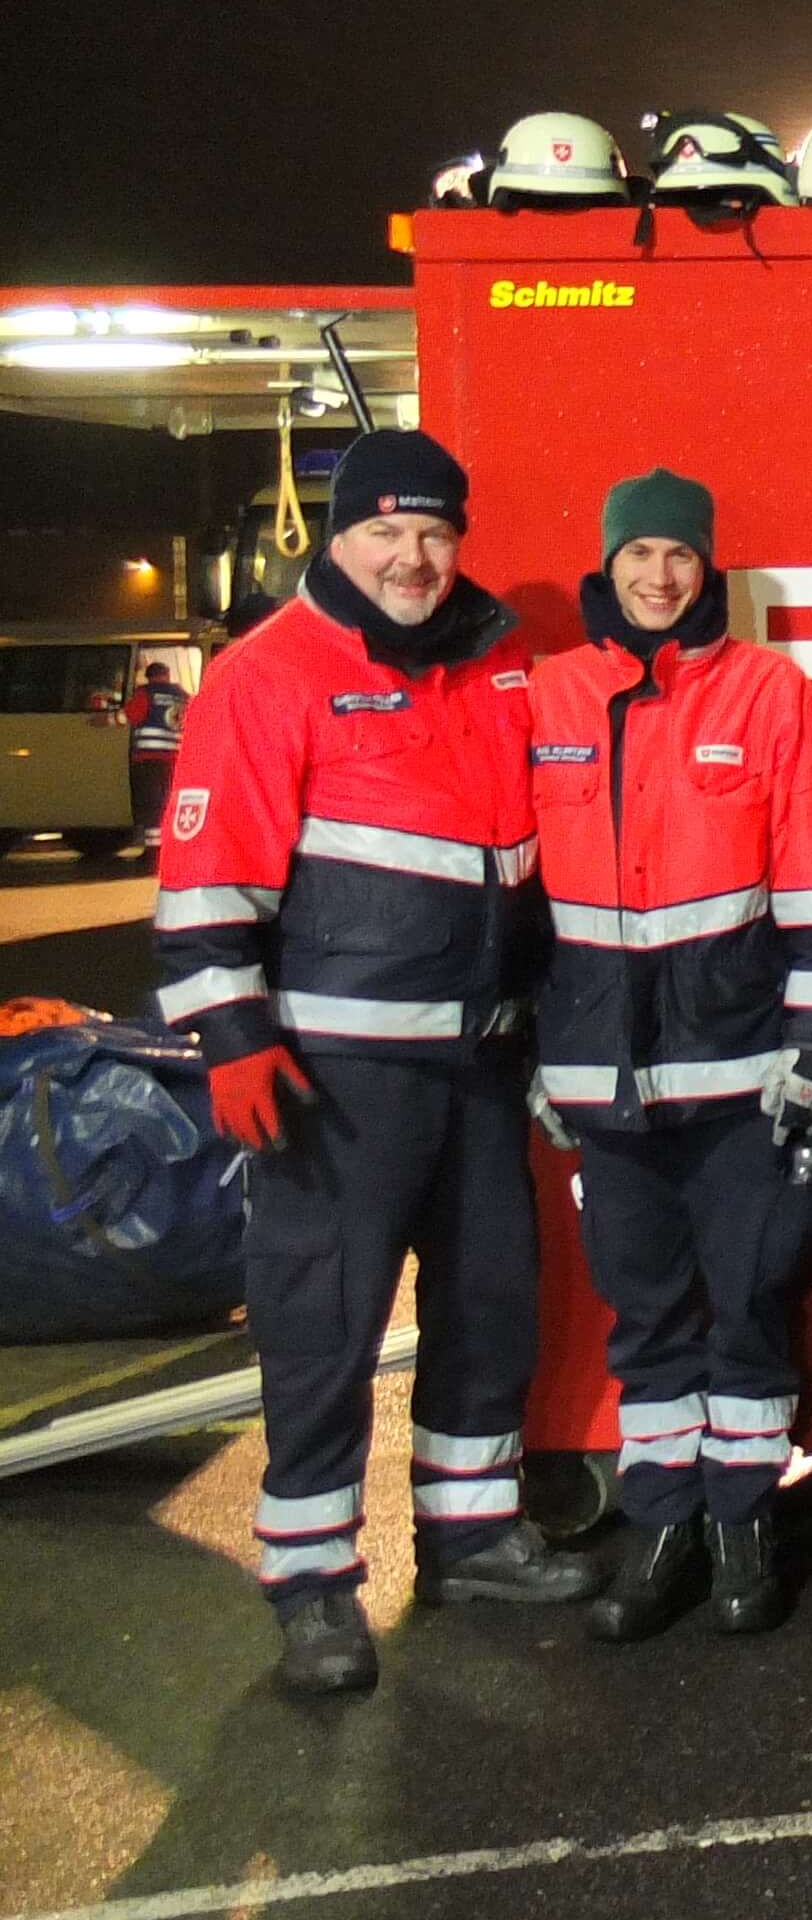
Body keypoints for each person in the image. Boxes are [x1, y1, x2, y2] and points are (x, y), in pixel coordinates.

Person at [153, 430, 597, 1695]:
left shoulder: (498, 656)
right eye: (386, 533)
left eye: (436, 533)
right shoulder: (267, 674)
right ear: (335, 537)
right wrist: (233, 1035)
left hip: (477, 1066)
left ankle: (469, 1536)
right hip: (331, 1083)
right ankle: (311, 1583)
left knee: (489, 1310)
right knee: (322, 1329)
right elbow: (204, 881)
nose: (412, 557)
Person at [527, 470, 812, 1642]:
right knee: (645, 1311)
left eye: (678, 557)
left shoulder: (772, 689)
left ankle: (741, 1524)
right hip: (604, 1084)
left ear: (707, 569)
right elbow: (520, 891)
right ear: (607, 567)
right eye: (638, 557)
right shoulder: (551, 694)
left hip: (740, 1073)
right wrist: (540, 1041)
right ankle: (661, 1522)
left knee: (751, 1300)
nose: (659, 577)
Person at [126, 658, 188, 848]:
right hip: (174, 761)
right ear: (167, 675)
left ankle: (153, 851)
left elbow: (130, 715)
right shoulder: (182, 695)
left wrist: (105, 720)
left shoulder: (145, 693)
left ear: (149, 677)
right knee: (167, 804)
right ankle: (170, 847)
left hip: (148, 760)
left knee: (150, 806)